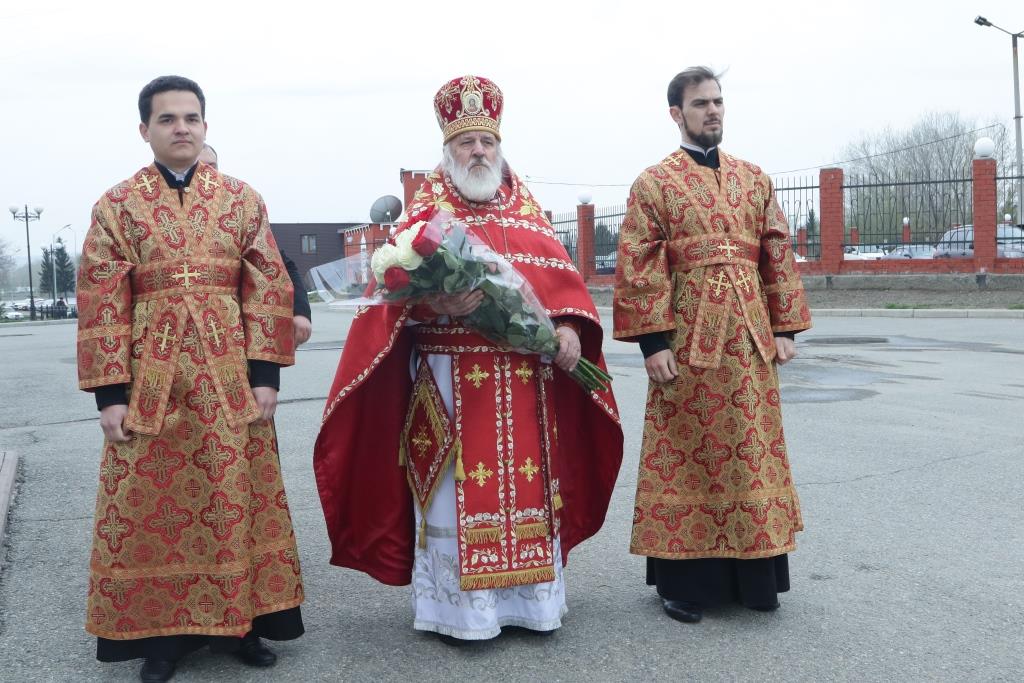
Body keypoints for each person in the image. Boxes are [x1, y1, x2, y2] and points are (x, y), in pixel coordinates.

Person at [314, 75, 623, 643]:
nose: (478, 151)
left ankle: (532, 606)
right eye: (466, 142)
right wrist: (433, 302)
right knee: (452, 495)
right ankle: (463, 615)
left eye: (486, 141)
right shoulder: (423, 220)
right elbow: (388, 303)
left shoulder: (527, 213)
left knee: (530, 488)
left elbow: (563, 287)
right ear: (448, 149)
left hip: (525, 384)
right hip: (450, 380)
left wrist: (569, 328)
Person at [76, 75, 304, 682]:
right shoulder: (116, 206)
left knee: (236, 501)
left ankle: (243, 625)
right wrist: (109, 395)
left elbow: (267, 287)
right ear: (144, 130)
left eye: (191, 118)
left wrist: (266, 376)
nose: (182, 128)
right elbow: (101, 301)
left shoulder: (242, 200)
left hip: (230, 384)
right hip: (151, 386)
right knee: (154, 510)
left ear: (205, 125)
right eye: (168, 118)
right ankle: (164, 639)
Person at [612, 66, 812, 624]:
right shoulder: (654, 183)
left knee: (751, 455)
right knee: (688, 458)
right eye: (701, 103)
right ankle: (684, 584)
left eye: (718, 101)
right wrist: (652, 343)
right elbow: (640, 264)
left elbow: (776, 250)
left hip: (749, 344)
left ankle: (756, 580)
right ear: (676, 113)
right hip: (686, 343)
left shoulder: (754, 178)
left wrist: (784, 327)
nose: (713, 111)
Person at [197, 144, 313, 345]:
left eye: (212, 166)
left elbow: (281, 266)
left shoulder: (237, 211)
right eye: (200, 166)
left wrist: (300, 312)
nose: (207, 173)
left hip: (235, 332)